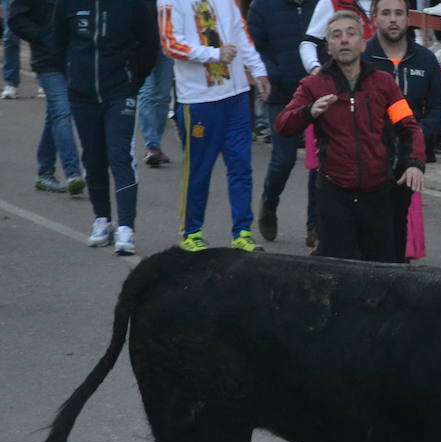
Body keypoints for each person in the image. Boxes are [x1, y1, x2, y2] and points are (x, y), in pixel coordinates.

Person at [276, 9, 424, 261]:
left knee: (383, 274)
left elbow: (408, 126)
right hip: (334, 193)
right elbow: (283, 125)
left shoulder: (384, 83)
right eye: (336, 35)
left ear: (362, 43)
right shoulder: (313, 85)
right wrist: (309, 111)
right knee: (339, 276)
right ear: (328, 48)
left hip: (378, 193)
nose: (344, 40)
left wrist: (414, 164)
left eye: (351, 33)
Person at [159, 0, 270, 251]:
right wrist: (214, 53)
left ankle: (242, 232)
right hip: (199, 100)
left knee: (241, 167)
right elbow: (169, 44)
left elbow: (240, 33)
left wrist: (258, 70)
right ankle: (191, 231)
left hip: (236, 96)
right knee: (199, 169)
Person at [51, 0, 159, 256]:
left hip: (120, 91)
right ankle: (102, 220)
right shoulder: (68, 4)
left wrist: (133, 79)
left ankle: (126, 227)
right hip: (81, 93)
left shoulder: (134, 5)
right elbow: (57, 43)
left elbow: (149, 44)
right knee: (93, 157)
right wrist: (73, 76)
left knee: (120, 155)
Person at [365, 0, 441, 260]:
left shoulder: (425, 59)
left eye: (399, 13)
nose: (393, 19)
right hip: (369, 157)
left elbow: (440, 104)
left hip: (409, 158)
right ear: (374, 17)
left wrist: (420, 136)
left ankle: (397, 270)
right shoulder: (363, 59)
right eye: (386, 13)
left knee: (398, 227)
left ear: (408, 18)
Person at [248, 0, 319, 242]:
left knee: (319, 162)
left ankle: (315, 226)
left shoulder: (321, 4)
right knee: (284, 160)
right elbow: (254, 47)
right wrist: (272, 72)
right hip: (282, 94)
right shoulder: (262, 6)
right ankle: (269, 204)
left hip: (317, 92)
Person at [9, 0, 87, 196]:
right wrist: (44, 36)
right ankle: (73, 173)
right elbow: (16, 19)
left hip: (76, 59)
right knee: (62, 111)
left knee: (54, 114)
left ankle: (44, 172)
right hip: (47, 61)